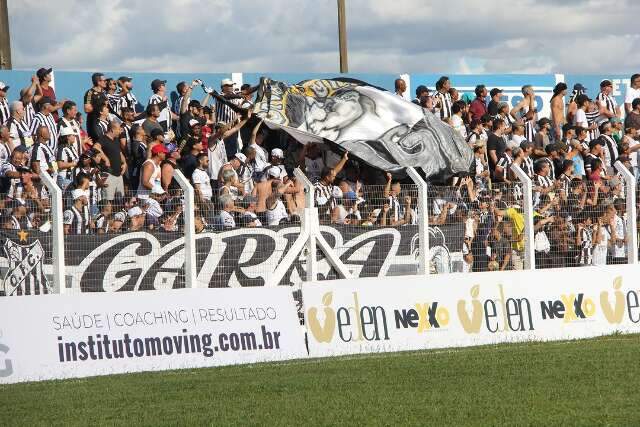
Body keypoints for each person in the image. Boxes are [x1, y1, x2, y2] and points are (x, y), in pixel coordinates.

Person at [93, 121, 126, 201]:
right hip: (109, 174)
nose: (120, 132)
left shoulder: (116, 140)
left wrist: (124, 163)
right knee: (108, 201)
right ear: (112, 130)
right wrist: (105, 159)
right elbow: (96, 147)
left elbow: (120, 153)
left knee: (120, 201)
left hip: (119, 175)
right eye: (118, 129)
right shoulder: (103, 139)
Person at [84, 73, 108, 142]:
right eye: (104, 80)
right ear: (98, 82)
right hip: (94, 123)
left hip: (104, 122)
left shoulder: (103, 93)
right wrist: (99, 105)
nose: (105, 82)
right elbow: (87, 109)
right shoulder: (90, 92)